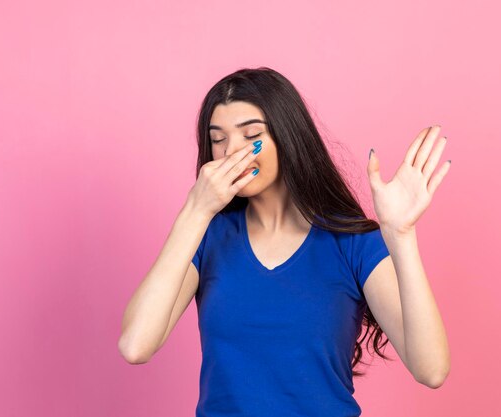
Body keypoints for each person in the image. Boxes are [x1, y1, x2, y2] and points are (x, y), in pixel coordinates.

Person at [119, 67, 451, 416]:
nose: (233, 151)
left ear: (287, 137)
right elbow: (135, 345)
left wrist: (401, 235)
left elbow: (431, 369)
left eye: (251, 135)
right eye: (218, 139)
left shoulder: (352, 242)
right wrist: (195, 211)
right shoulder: (206, 237)